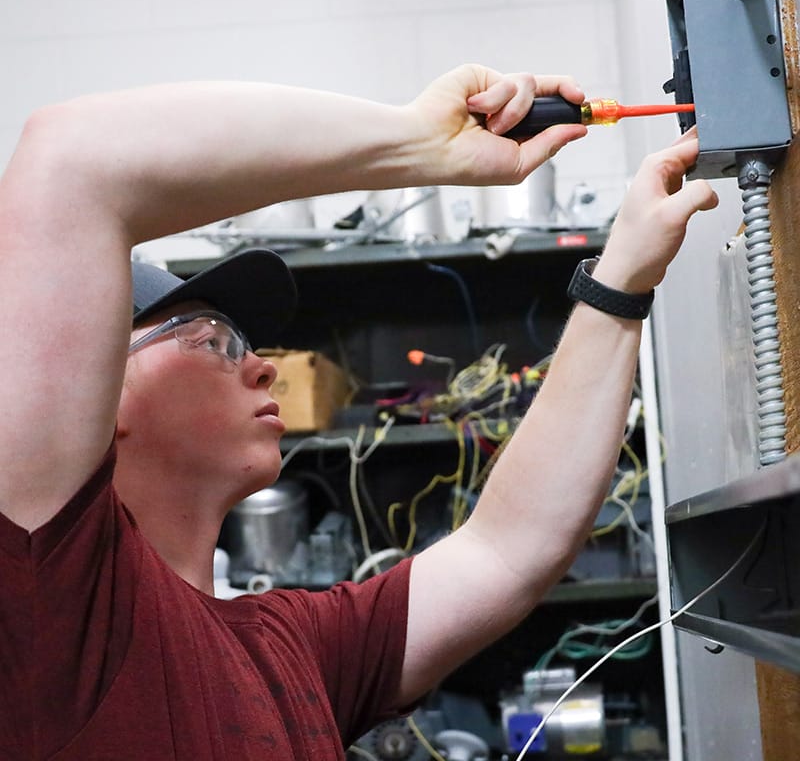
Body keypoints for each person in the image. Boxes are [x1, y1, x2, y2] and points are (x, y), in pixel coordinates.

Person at [0, 64, 717, 760]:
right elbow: (71, 160)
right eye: (212, 339)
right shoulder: (50, 609)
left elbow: (508, 549)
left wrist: (621, 278)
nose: (262, 364)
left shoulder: (287, 646)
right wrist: (419, 142)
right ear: (100, 391)